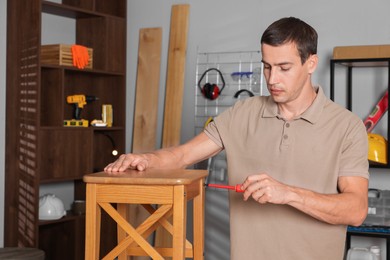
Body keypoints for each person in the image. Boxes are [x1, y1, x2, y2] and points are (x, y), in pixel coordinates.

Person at [105, 17, 369, 260]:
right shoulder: (242, 113)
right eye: (267, 67)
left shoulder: (347, 127)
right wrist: (146, 159)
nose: (272, 79)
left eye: (284, 68)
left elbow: (356, 209)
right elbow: (183, 155)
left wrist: (289, 193)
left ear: (310, 63)